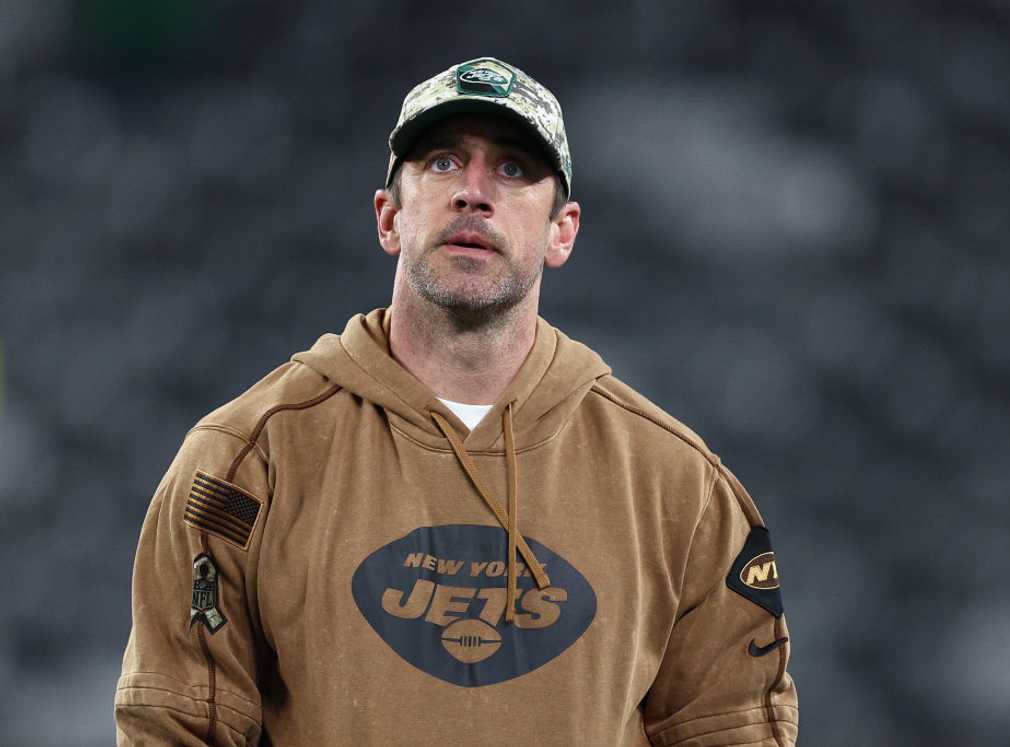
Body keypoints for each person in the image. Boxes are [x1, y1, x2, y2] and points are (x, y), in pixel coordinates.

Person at [115, 56, 798, 746]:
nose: (474, 192)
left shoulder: (679, 487)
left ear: (563, 230)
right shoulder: (241, 466)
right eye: (442, 163)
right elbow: (172, 727)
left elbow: (736, 731)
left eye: (512, 168)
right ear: (389, 217)